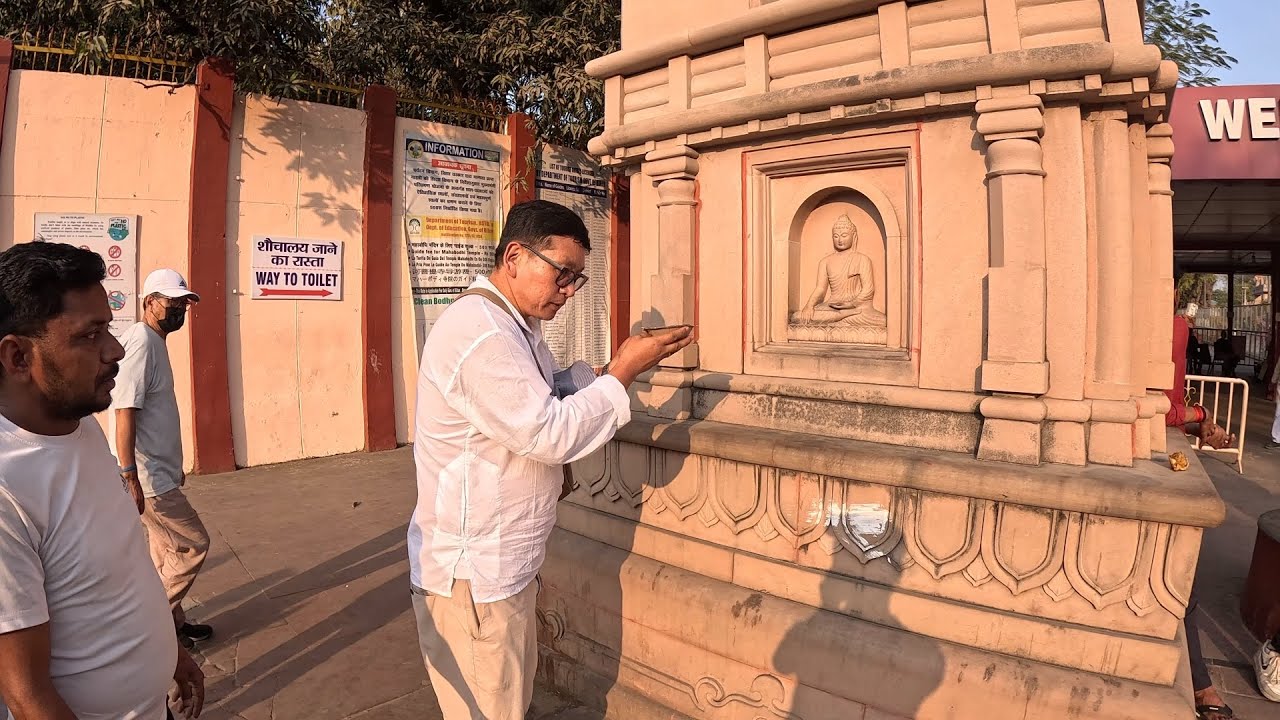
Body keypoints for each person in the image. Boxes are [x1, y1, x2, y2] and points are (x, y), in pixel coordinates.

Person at [407, 199, 693, 719]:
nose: (567, 291)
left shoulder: (512, 322)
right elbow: (547, 432)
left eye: (576, 280)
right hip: (475, 573)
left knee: (506, 699)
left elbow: (541, 397)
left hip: (499, 567)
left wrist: (609, 368)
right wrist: (623, 372)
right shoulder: (484, 335)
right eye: (562, 274)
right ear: (514, 256)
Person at [0, 242, 203, 719]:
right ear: (17, 357)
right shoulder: (8, 488)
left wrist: (168, 650)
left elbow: (123, 566)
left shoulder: (79, 424)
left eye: (107, 328)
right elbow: (28, 696)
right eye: (90, 335)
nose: (114, 350)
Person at [110, 269, 213, 652]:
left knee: (165, 552)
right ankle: (147, 628)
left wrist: (173, 465)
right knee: (191, 545)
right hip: (148, 478)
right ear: (149, 302)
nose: (180, 309)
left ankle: (172, 624)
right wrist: (129, 475)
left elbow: (155, 414)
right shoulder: (141, 339)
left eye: (184, 303)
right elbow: (125, 409)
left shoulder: (155, 341)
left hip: (158, 472)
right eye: (172, 302)